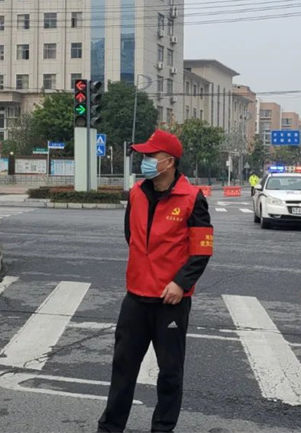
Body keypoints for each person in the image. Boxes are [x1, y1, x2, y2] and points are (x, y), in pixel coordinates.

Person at [98, 129, 214, 433]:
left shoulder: (192, 198)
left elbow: (201, 250)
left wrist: (180, 283)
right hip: (135, 297)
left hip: (170, 300)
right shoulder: (137, 192)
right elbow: (132, 236)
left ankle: (162, 428)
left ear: (169, 161)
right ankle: (110, 427)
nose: (145, 161)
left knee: (170, 373)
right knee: (122, 368)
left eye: (151, 155)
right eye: (144, 155)